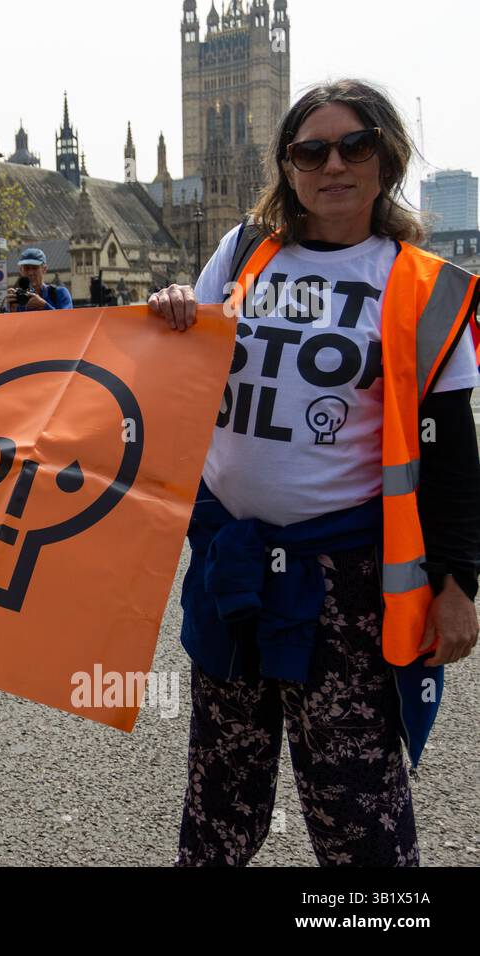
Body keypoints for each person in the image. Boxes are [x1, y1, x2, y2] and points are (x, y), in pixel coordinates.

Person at [148, 79, 480, 866]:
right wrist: (164, 316)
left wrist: (460, 582)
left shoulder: (422, 287)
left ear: (386, 157)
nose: (333, 163)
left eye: (353, 145)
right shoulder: (241, 251)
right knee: (220, 792)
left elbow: (452, 453)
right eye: (311, 149)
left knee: (354, 800)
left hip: (346, 581)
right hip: (231, 566)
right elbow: (177, 372)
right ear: (287, 165)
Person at [6, 247, 73, 312]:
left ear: (44, 269)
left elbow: (68, 321)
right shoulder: (19, 300)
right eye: (26, 268)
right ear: (21, 271)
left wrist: (44, 306)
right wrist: (12, 311)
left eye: (35, 268)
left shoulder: (60, 293)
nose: (31, 273)